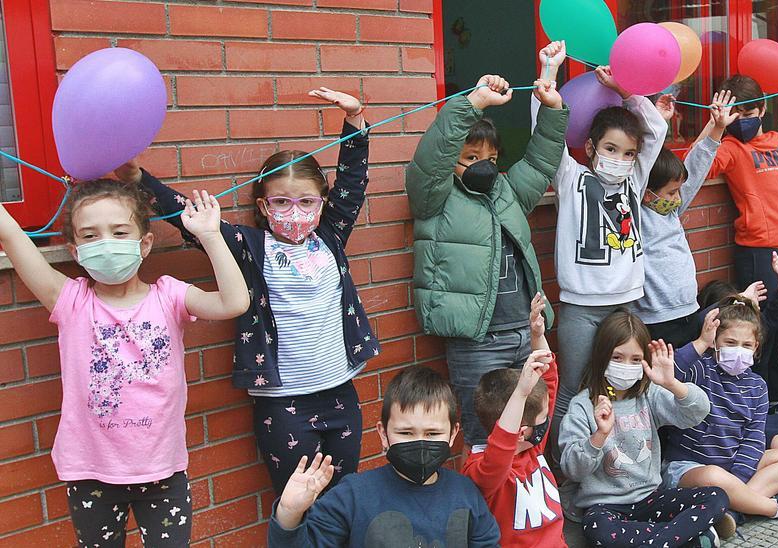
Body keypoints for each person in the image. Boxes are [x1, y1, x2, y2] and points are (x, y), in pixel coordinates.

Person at [139, 88, 376, 495]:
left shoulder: (330, 237)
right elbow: (187, 217)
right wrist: (138, 180)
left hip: (340, 392)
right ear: (264, 207)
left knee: (343, 499)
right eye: (282, 201)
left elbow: (352, 184)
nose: (295, 211)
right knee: (294, 504)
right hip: (283, 404)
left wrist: (355, 119)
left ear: (321, 204)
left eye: (306, 201)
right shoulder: (250, 246)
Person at [1, 177, 249, 546]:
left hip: (162, 473)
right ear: (74, 250)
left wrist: (211, 236)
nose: (105, 244)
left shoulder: (169, 295)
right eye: (89, 236)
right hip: (91, 474)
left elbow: (234, 303)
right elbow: (11, 236)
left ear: (144, 243)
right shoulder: (69, 300)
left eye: (119, 232)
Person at [405, 44, 569, 446]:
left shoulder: (507, 191)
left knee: (534, 432)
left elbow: (541, 161)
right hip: (478, 342)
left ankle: (527, 504)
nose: (483, 164)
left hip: (525, 333)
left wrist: (551, 106)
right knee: (485, 439)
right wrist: (473, 103)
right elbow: (433, 155)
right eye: (471, 155)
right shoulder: (434, 199)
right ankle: (489, 509)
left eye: (491, 157)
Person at [545, 66, 668, 441]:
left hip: (626, 307)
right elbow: (547, 136)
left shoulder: (635, 178)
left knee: (620, 387)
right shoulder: (571, 177)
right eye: (611, 149)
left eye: (628, 152)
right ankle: (564, 470)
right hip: (580, 308)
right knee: (575, 387)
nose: (620, 158)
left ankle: (612, 461)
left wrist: (626, 89)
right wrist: (548, 78)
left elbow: (656, 129)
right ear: (592, 148)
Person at [267, 368, 501, 546]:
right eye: (406, 432)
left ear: (452, 434)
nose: (420, 442)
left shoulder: (466, 493)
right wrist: (289, 513)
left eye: (432, 433)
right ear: (383, 433)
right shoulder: (352, 497)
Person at [557, 310, 729, 547]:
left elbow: (697, 412)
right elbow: (572, 469)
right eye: (617, 357)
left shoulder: (648, 395)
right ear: (601, 357)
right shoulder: (582, 406)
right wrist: (599, 435)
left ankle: (658, 539)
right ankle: (688, 538)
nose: (626, 365)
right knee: (598, 531)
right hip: (605, 507)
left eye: (635, 359)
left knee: (716, 497)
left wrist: (672, 384)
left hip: (651, 498)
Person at [664, 297, 778, 531]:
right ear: (716, 342)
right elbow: (668, 374)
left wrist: (738, 479)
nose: (738, 350)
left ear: (756, 347)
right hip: (689, 468)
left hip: (732, 466)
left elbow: (753, 438)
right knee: (713, 475)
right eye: (730, 342)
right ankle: (774, 507)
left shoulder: (756, 386)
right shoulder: (700, 368)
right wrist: (701, 342)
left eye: (746, 345)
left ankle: (734, 510)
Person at [708, 75, 778, 410]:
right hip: (758, 250)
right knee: (759, 326)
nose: (742, 121)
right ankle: (754, 400)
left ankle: (777, 399)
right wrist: (715, 127)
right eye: (735, 115)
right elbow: (701, 165)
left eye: (749, 112)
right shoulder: (731, 148)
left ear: (763, 108)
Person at [463, 294, 565, 547]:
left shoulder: (533, 448)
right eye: (542, 419)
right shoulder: (485, 470)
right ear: (520, 433)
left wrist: (537, 335)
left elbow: (549, 384)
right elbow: (501, 446)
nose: (547, 419)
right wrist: (520, 393)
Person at [637, 90, 734, 348]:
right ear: (646, 193)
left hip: (688, 312)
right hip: (654, 320)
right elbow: (641, 167)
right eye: (671, 192)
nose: (678, 197)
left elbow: (696, 165)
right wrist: (658, 123)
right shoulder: (635, 214)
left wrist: (716, 127)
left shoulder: (670, 211)